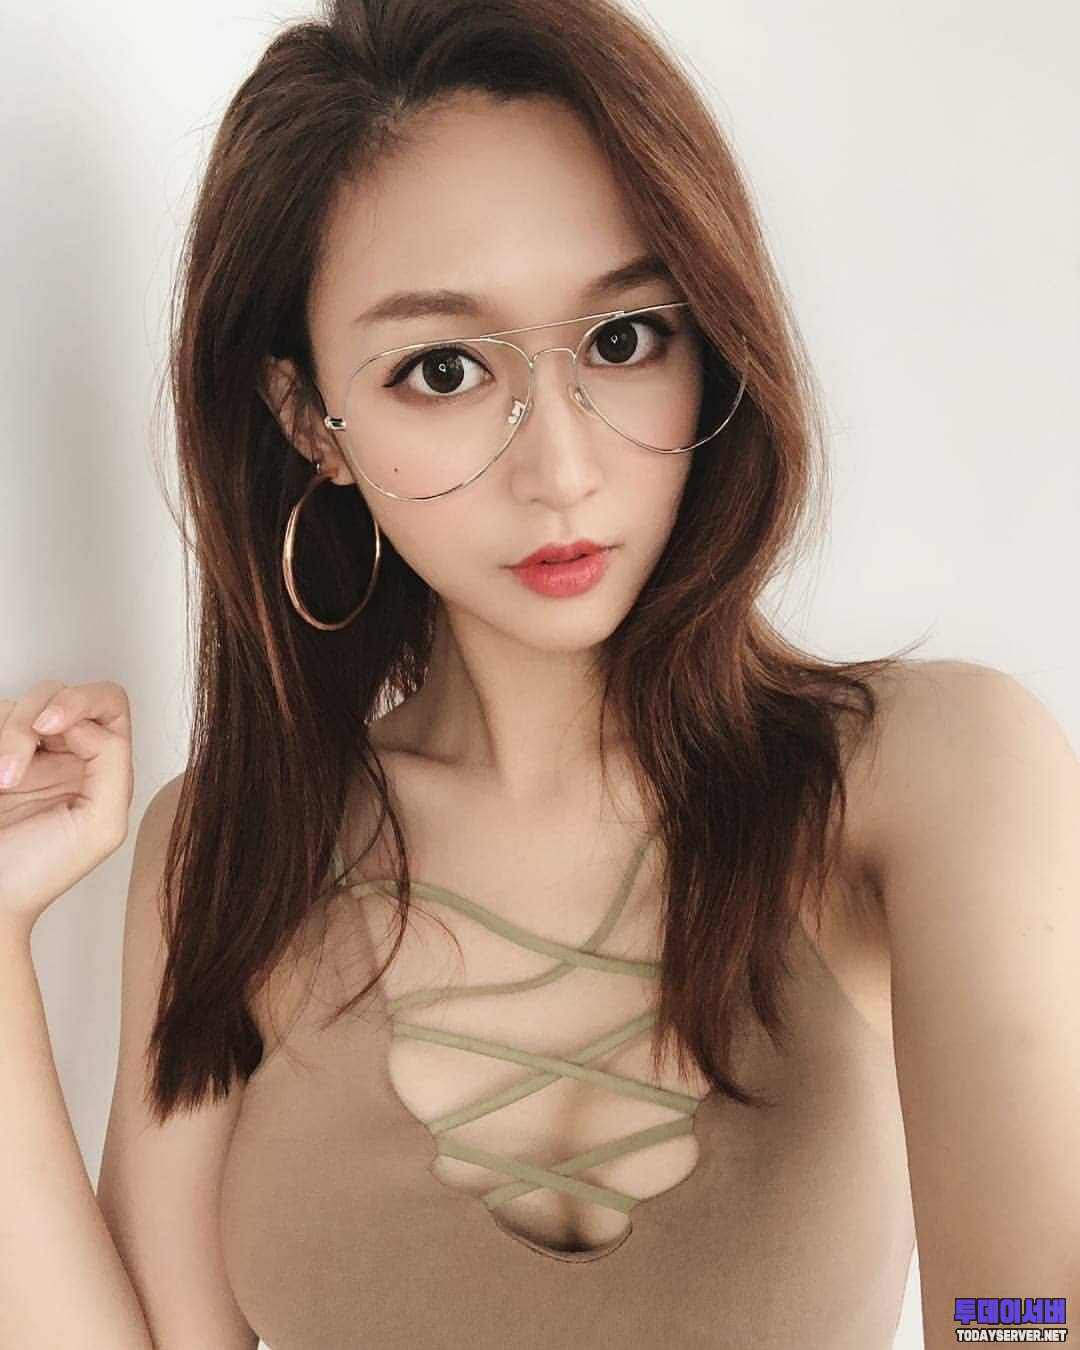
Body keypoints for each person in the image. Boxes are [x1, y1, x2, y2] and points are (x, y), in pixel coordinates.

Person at [1, 0, 1076, 1346]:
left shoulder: (928, 769)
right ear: (310, 421)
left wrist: (1019, 1324)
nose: (561, 468)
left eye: (624, 340)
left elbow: (1033, 1301)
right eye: (443, 368)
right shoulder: (233, 847)